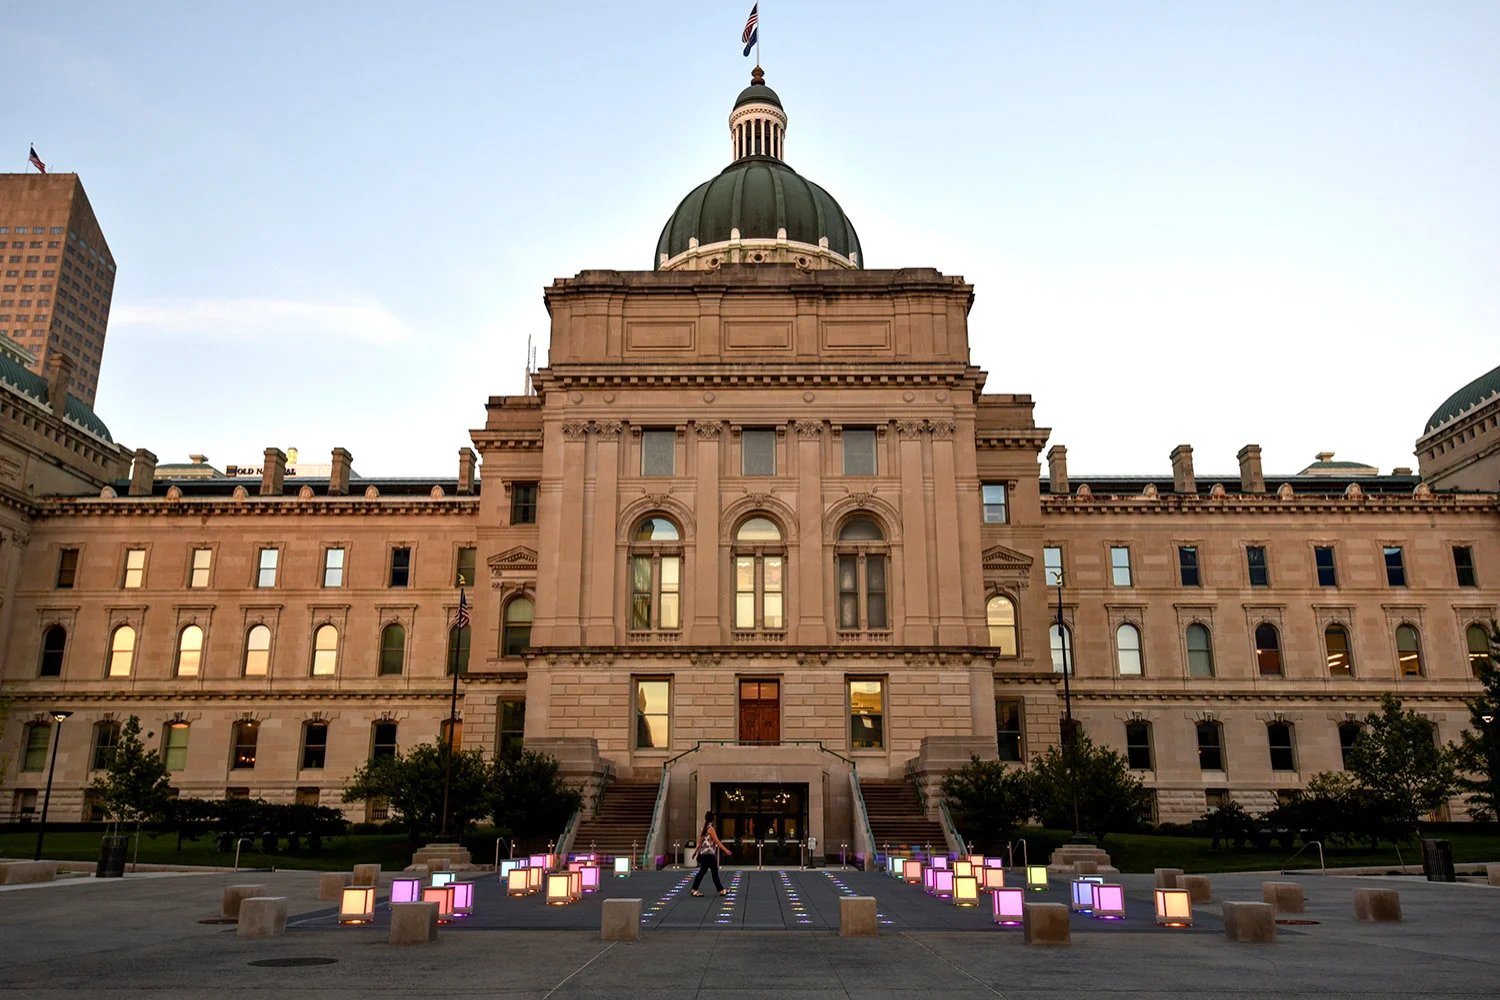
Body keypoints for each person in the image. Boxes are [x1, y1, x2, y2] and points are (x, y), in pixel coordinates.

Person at [690, 810, 731, 896]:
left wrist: (695, 853)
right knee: (713, 873)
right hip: (710, 855)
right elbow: (717, 841)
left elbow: (700, 842)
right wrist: (726, 850)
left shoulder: (704, 828)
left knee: (703, 872)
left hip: (704, 854)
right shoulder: (711, 829)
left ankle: (694, 889)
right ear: (712, 819)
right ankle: (721, 890)